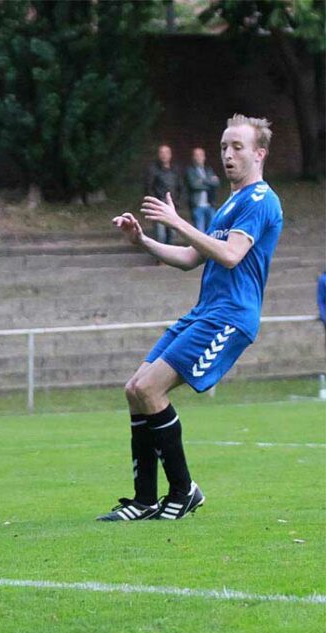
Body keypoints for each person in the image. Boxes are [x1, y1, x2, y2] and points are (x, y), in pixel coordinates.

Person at [100, 114, 283, 522]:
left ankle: (183, 491)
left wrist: (178, 222)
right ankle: (144, 500)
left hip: (230, 318)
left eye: (237, 147)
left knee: (150, 388)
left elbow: (232, 255)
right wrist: (143, 240)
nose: (228, 155)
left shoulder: (260, 201)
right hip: (205, 313)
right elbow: (188, 259)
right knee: (135, 389)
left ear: (260, 153)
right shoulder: (230, 205)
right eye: (224, 147)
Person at [144, 144, 185, 245]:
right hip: (159, 204)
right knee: (160, 233)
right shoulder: (153, 169)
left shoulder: (175, 169)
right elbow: (149, 187)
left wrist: (178, 201)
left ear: (170, 155)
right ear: (158, 155)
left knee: (172, 232)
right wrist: (154, 202)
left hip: (172, 204)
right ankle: (161, 259)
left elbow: (180, 186)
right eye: (161, 153)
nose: (164, 155)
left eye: (166, 153)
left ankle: (171, 256)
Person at [186, 147, 221, 231]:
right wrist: (209, 181)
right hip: (197, 206)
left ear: (204, 157)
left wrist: (202, 181)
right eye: (196, 155)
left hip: (210, 205)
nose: (199, 157)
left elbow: (216, 183)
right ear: (193, 157)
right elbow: (194, 185)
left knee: (212, 231)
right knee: (199, 232)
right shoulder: (190, 171)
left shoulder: (209, 170)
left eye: (201, 155)